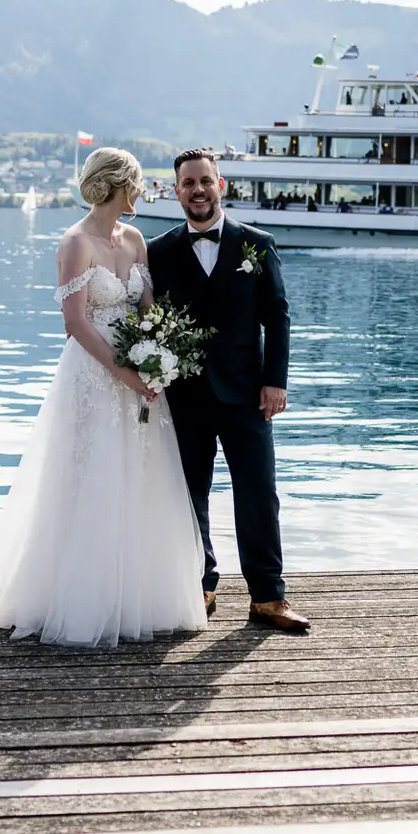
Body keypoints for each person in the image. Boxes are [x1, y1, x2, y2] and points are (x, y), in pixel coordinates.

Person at [0, 148, 205, 646]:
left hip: (140, 377)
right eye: (138, 183)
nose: (142, 191)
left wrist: (157, 357)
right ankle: (71, 596)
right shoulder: (75, 242)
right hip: (94, 378)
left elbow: (147, 308)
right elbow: (75, 322)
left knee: (140, 479)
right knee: (87, 480)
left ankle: (135, 594)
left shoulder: (136, 239)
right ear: (120, 185)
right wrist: (125, 372)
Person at [146, 148, 310, 633]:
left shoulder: (256, 244)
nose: (197, 190)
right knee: (188, 496)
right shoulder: (156, 251)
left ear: (222, 184)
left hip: (246, 395)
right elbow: (148, 322)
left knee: (259, 494)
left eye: (205, 181)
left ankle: (268, 598)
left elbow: (277, 317)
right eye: (188, 184)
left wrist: (275, 381)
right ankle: (201, 586)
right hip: (186, 397)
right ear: (176, 192)